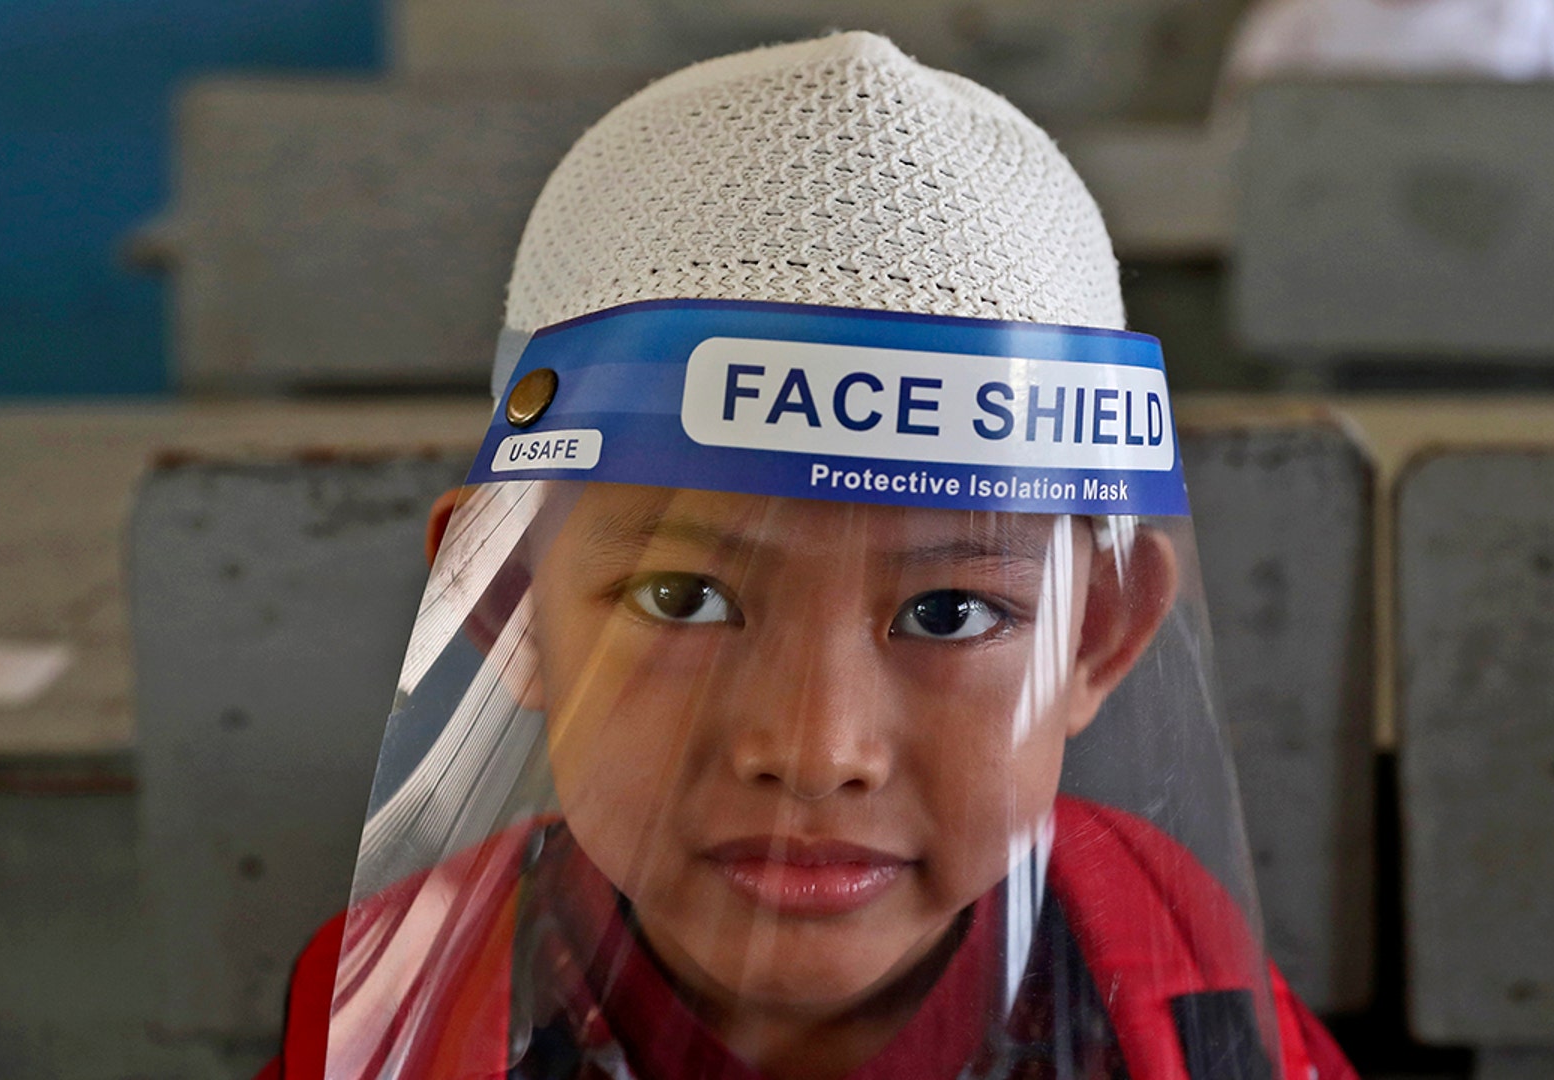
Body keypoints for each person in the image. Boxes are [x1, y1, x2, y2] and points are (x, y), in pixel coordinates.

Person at [257, 31, 1356, 1080]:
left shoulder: (1177, 993)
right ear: (503, 600)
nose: (817, 751)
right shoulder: (395, 1016)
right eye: (682, 597)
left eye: (951, 613)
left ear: (1098, 633)